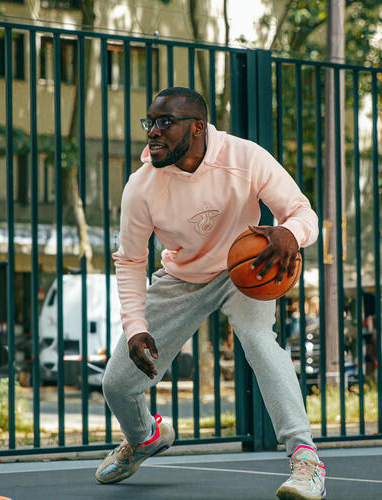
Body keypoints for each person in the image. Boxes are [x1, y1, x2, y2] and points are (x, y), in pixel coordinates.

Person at [96, 87, 326, 500]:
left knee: (259, 342)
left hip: (245, 271)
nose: (154, 132)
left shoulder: (245, 157)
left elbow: (302, 212)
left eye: (166, 122)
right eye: (151, 122)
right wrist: (134, 325)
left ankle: (306, 460)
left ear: (198, 127)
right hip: (182, 277)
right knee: (115, 384)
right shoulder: (141, 186)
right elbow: (130, 260)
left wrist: (291, 233)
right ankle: (146, 437)